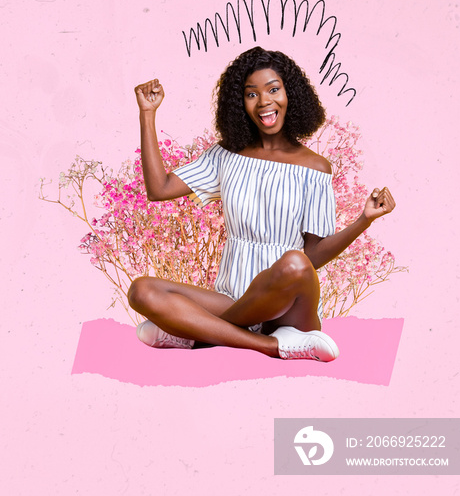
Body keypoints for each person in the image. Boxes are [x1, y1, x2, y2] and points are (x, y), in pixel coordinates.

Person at [128, 47, 395, 361]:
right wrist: (148, 114)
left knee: (295, 262)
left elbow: (312, 257)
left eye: (273, 89)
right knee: (141, 290)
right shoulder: (226, 155)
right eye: (251, 94)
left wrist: (364, 219)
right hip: (231, 299)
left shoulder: (315, 168)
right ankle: (270, 345)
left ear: (290, 94)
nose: (265, 101)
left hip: (288, 310)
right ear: (239, 103)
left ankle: (197, 332)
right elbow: (159, 188)